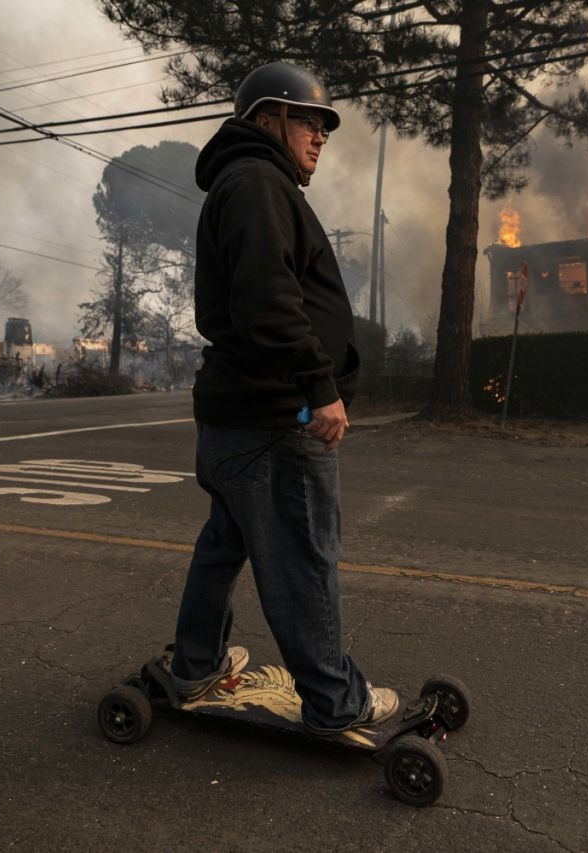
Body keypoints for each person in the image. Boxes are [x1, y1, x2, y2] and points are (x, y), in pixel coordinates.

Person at [169, 61, 399, 733]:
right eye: (309, 120)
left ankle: (195, 663)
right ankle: (337, 702)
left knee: (225, 544)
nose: (321, 135)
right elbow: (268, 301)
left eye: (326, 125)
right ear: (266, 119)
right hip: (275, 417)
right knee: (302, 559)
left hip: (238, 419)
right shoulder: (258, 184)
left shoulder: (248, 184)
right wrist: (318, 386)